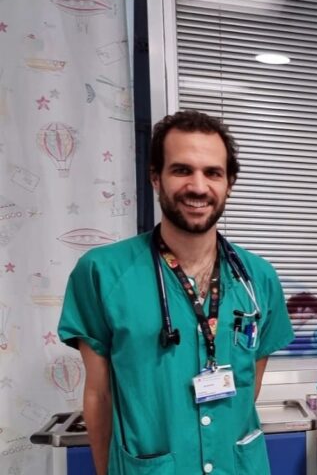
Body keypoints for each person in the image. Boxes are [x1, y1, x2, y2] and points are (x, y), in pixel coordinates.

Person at [58, 110, 294, 475]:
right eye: (182, 170)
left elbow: (250, 387)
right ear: (156, 177)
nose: (198, 187)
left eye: (213, 173)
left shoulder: (258, 279)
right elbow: (99, 396)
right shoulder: (103, 273)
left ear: (229, 182)